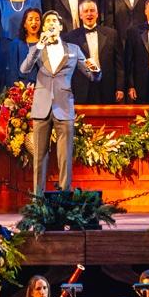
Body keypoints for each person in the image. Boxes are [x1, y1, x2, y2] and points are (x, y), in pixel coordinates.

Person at [19, 11, 100, 193]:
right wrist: (39, 45)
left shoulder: (73, 49)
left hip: (64, 106)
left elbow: (92, 75)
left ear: (61, 27)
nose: (51, 23)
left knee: (65, 156)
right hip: (42, 107)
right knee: (39, 156)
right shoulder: (37, 49)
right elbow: (24, 69)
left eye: (54, 20)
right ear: (44, 27)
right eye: (47, 21)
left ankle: (64, 197)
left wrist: (96, 69)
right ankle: (38, 199)